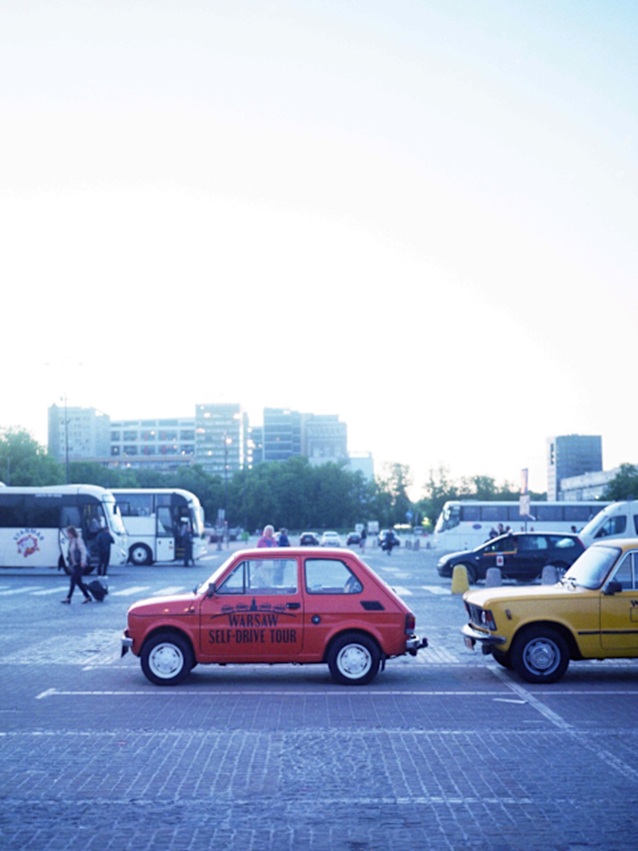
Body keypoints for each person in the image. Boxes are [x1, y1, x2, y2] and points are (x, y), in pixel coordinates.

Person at [61, 526, 92, 604]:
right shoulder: (71, 541)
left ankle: (68, 598)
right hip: (75, 564)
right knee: (79, 582)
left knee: (73, 580)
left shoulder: (78, 540)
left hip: (79, 563)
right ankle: (87, 597)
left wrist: (83, 561)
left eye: (68, 533)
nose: (67, 535)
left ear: (72, 533)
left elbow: (83, 551)